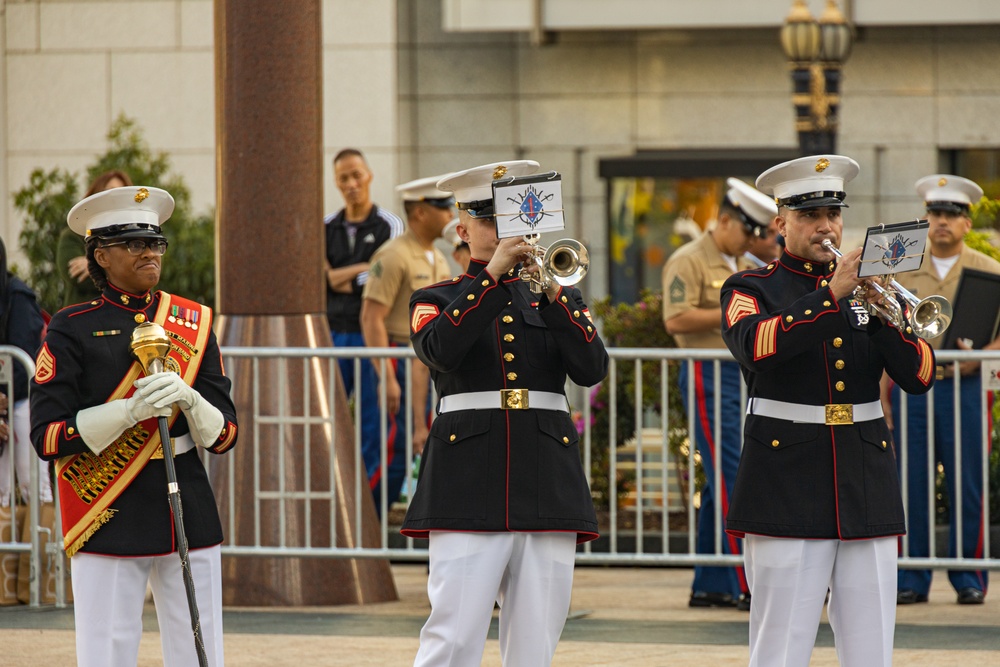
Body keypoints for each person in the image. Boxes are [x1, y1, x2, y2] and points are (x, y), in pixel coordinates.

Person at [721, 155, 935, 666]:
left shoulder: (874, 290)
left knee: (871, 643)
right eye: (810, 215)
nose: (825, 226)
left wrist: (884, 314)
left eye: (833, 215)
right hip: (785, 480)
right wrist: (833, 295)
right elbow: (757, 346)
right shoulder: (751, 289)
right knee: (781, 643)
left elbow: (921, 376)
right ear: (781, 222)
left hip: (865, 479)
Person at [401, 160, 609, 666]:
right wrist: (491, 279)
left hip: (546, 478)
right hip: (466, 481)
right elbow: (440, 351)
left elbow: (591, 368)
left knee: (536, 642)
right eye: (491, 221)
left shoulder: (556, 296)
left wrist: (556, 295)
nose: (505, 232)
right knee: (453, 634)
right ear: (463, 228)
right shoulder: (436, 298)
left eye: (514, 220)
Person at [30, 185, 239, 667]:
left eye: (155, 243)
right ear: (100, 255)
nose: (149, 253)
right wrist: (128, 412)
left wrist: (189, 399)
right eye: (134, 244)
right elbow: (47, 435)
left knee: (201, 650)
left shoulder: (192, 321)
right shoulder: (71, 326)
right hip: (107, 506)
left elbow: (226, 434)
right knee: (107, 652)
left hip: (187, 502)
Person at [661, 177, 776, 610]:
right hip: (707, 374)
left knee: (723, 479)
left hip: (739, 375)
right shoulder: (689, 259)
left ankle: (712, 581)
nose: (753, 239)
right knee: (732, 476)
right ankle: (745, 579)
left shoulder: (742, 263)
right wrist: (731, 315)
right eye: (748, 230)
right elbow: (675, 319)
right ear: (725, 220)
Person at [887, 174, 1000, 606]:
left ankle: (969, 576)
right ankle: (912, 578)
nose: (942, 222)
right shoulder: (903, 266)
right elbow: (888, 330)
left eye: (952, 214)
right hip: (912, 386)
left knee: (966, 483)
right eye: (935, 213)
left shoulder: (989, 271)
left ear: (967, 224)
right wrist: (883, 393)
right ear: (925, 218)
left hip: (966, 387)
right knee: (908, 483)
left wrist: (985, 354)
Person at [359, 175, 454, 512]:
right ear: (420, 213)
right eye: (442, 207)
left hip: (423, 360)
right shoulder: (394, 255)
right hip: (397, 356)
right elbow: (371, 319)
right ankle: (365, 530)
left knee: (420, 443)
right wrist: (385, 374)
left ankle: (376, 530)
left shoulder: (436, 257)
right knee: (389, 450)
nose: (450, 213)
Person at [325, 148, 404, 491]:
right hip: (333, 335)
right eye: (344, 178)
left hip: (374, 335)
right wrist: (362, 269)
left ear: (369, 176)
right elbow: (322, 280)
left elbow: (382, 279)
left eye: (357, 175)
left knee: (374, 425)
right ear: (336, 183)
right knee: (327, 418)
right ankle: (333, 495)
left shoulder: (389, 224)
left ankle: (370, 507)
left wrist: (341, 276)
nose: (352, 183)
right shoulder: (326, 226)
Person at [0, 237, 51, 508]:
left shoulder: (17, 294)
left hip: (21, 399)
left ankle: (39, 550)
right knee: (2, 490)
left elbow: (24, 356)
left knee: (33, 484)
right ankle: (9, 551)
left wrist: (4, 397)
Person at [57, 170, 133, 308]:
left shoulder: (137, 236)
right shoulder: (73, 235)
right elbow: (77, 277)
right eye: (110, 192)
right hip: (83, 318)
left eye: (121, 193)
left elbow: (142, 274)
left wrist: (93, 265)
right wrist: (125, 268)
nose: (115, 199)